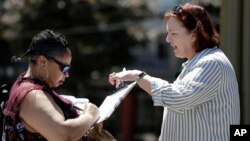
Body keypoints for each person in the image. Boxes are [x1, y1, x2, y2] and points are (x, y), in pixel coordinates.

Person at [109, 3, 240, 141]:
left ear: (194, 34)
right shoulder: (197, 64)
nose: (167, 39)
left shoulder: (212, 63)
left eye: (173, 33)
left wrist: (137, 76)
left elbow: (176, 97)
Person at [2, 29, 100, 141]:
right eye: (65, 68)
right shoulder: (33, 96)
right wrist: (90, 115)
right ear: (43, 62)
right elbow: (64, 136)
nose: (67, 74)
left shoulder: (24, 84)